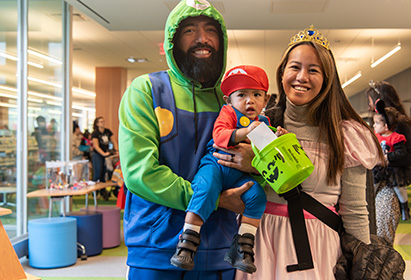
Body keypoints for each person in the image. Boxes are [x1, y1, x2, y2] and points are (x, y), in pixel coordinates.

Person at [213, 25, 383, 279]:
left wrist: (363, 268)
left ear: (327, 79)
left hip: (319, 247)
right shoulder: (260, 126)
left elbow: (356, 211)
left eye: (313, 70)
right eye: (295, 67)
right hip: (259, 243)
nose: (302, 77)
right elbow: (225, 181)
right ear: (282, 74)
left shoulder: (346, 133)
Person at [119, 1, 252, 279]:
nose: (202, 39)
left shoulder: (232, 101)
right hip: (155, 246)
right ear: (173, 41)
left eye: (210, 30)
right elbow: (140, 172)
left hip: (219, 249)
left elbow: (253, 160)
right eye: (189, 30)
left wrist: (255, 163)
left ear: (222, 40)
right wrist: (213, 199)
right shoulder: (147, 91)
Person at [170, 65, 286, 274]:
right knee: (204, 189)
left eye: (256, 95)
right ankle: (187, 241)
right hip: (215, 165)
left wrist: (278, 139)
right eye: (241, 95)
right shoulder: (228, 112)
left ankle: (243, 245)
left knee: (257, 197)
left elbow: (270, 157)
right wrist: (245, 132)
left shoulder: (264, 122)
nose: (249, 100)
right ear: (228, 100)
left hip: (240, 176)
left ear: (266, 100)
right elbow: (220, 136)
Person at [365, 80, 411, 240]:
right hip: (377, 179)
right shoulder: (378, 123)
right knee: (373, 230)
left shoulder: (398, 123)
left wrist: (385, 159)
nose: (369, 105)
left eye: (370, 100)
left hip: (391, 183)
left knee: (382, 233)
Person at [372, 106, 411, 225]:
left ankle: (404, 207)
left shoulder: (396, 138)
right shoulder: (375, 137)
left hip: (393, 169)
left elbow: (402, 152)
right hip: (379, 169)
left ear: (386, 126)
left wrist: (388, 157)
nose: (374, 126)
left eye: (376, 123)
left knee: (399, 188)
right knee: (373, 186)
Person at [91, 116, 117, 183]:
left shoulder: (107, 131)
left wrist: (117, 150)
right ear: (97, 124)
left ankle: (103, 190)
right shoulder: (95, 133)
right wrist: (103, 154)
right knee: (98, 172)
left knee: (104, 172)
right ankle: (95, 191)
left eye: (103, 121)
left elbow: (114, 141)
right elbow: (96, 146)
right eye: (101, 122)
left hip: (106, 154)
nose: (103, 123)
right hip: (97, 154)